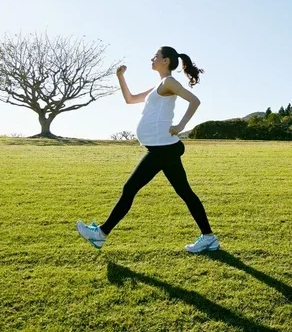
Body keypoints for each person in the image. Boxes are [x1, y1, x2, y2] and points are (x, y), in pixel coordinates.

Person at [76, 46, 219, 253]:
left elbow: (194, 101)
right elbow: (130, 99)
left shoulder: (169, 82)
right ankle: (209, 238)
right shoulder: (158, 86)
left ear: (166, 61)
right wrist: (120, 77)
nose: (152, 58)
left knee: (130, 189)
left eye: (156, 56)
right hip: (163, 149)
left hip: (162, 148)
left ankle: (101, 234)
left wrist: (180, 126)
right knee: (185, 193)